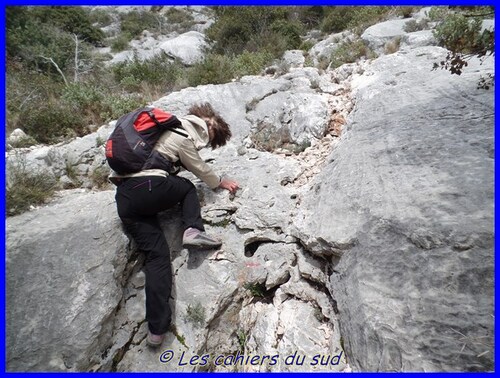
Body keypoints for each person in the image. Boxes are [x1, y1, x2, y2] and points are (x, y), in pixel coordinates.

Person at [110, 103, 239, 347]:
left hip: (126, 198)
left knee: (157, 258)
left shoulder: (159, 132)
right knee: (187, 188)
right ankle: (193, 231)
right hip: (150, 186)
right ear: (208, 126)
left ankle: (156, 331)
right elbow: (198, 168)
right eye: (211, 139)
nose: (207, 143)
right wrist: (220, 181)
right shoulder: (181, 133)